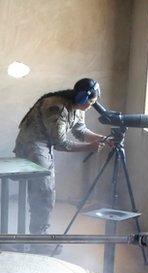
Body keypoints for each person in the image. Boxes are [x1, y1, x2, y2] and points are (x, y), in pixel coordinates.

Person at [14, 77, 111, 242]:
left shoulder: (79, 107)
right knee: (44, 191)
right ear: (82, 98)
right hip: (32, 144)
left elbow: (80, 131)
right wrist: (89, 147)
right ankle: (37, 239)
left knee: (45, 191)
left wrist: (103, 139)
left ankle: (38, 235)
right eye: (91, 102)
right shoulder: (58, 108)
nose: (91, 106)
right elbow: (61, 143)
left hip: (45, 144)